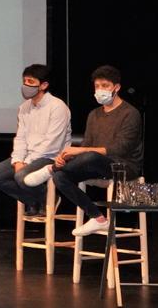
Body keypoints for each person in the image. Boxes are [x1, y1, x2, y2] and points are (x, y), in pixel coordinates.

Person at [23, 65, 144, 236]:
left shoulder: (130, 113)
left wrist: (80, 151)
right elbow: (87, 144)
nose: (100, 90)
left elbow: (120, 148)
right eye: (97, 86)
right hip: (96, 164)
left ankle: (51, 168)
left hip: (123, 167)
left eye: (105, 86)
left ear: (116, 87)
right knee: (61, 177)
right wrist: (66, 158)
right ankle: (98, 218)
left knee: (89, 156)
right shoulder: (94, 114)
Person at [0, 64, 72, 216]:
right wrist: (18, 161)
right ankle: (35, 200)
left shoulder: (58, 107)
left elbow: (52, 144)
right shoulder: (24, 107)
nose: (26, 85)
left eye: (31, 82)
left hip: (51, 157)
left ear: (43, 85)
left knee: (21, 176)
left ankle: (49, 197)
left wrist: (27, 163)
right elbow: (21, 138)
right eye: (25, 81)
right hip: (27, 157)